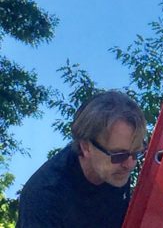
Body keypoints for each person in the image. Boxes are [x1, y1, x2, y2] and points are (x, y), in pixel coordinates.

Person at [17, 90, 147, 228]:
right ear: (86, 147)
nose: (130, 165)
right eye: (119, 155)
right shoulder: (44, 196)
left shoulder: (114, 168)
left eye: (136, 153)